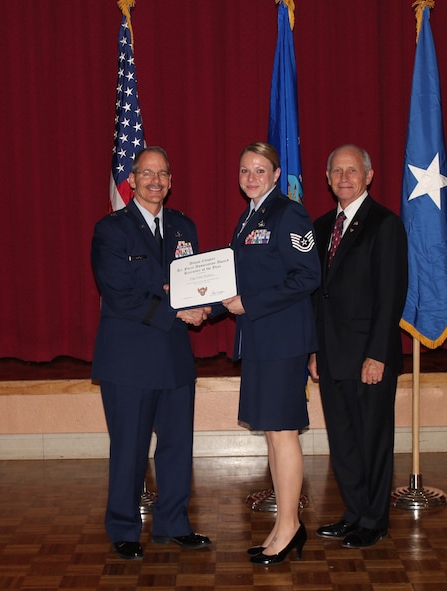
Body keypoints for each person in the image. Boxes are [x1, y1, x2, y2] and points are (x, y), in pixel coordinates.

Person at [90, 146, 212, 561]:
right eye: (147, 174)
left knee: (178, 446)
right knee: (129, 448)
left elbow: (195, 282)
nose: (155, 181)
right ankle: (124, 528)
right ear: (133, 181)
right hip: (128, 359)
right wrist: (177, 309)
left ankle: (173, 524)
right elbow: (119, 294)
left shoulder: (184, 227)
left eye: (162, 174)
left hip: (175, 355)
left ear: (171, 181)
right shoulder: (111, 230)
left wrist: (203, 304)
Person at [220, 142, 320, 565]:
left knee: (282, 434)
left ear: (277, 175)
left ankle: (289, 527)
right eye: (245, 170)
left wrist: (251, 303)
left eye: (260, 170)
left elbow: (307, 276)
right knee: (273, 437)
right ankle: (284, 526)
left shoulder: (289, 213)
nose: (252, 177)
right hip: (261, 341)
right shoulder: (249, 218)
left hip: (283, 341)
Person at [308, 144, 408, 549]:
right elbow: (317, 295)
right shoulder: (318, 228)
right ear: (327, 178)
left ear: (369, 176)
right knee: (344, 441)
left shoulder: (385, 224)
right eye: (337, 171)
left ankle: (374, 519)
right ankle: (353, 513)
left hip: (370, 356)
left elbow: (391, 295)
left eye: (352, 170)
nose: (344, 177)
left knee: (373, 440)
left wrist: (378, 354)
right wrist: (315, 350)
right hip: (331, 355)